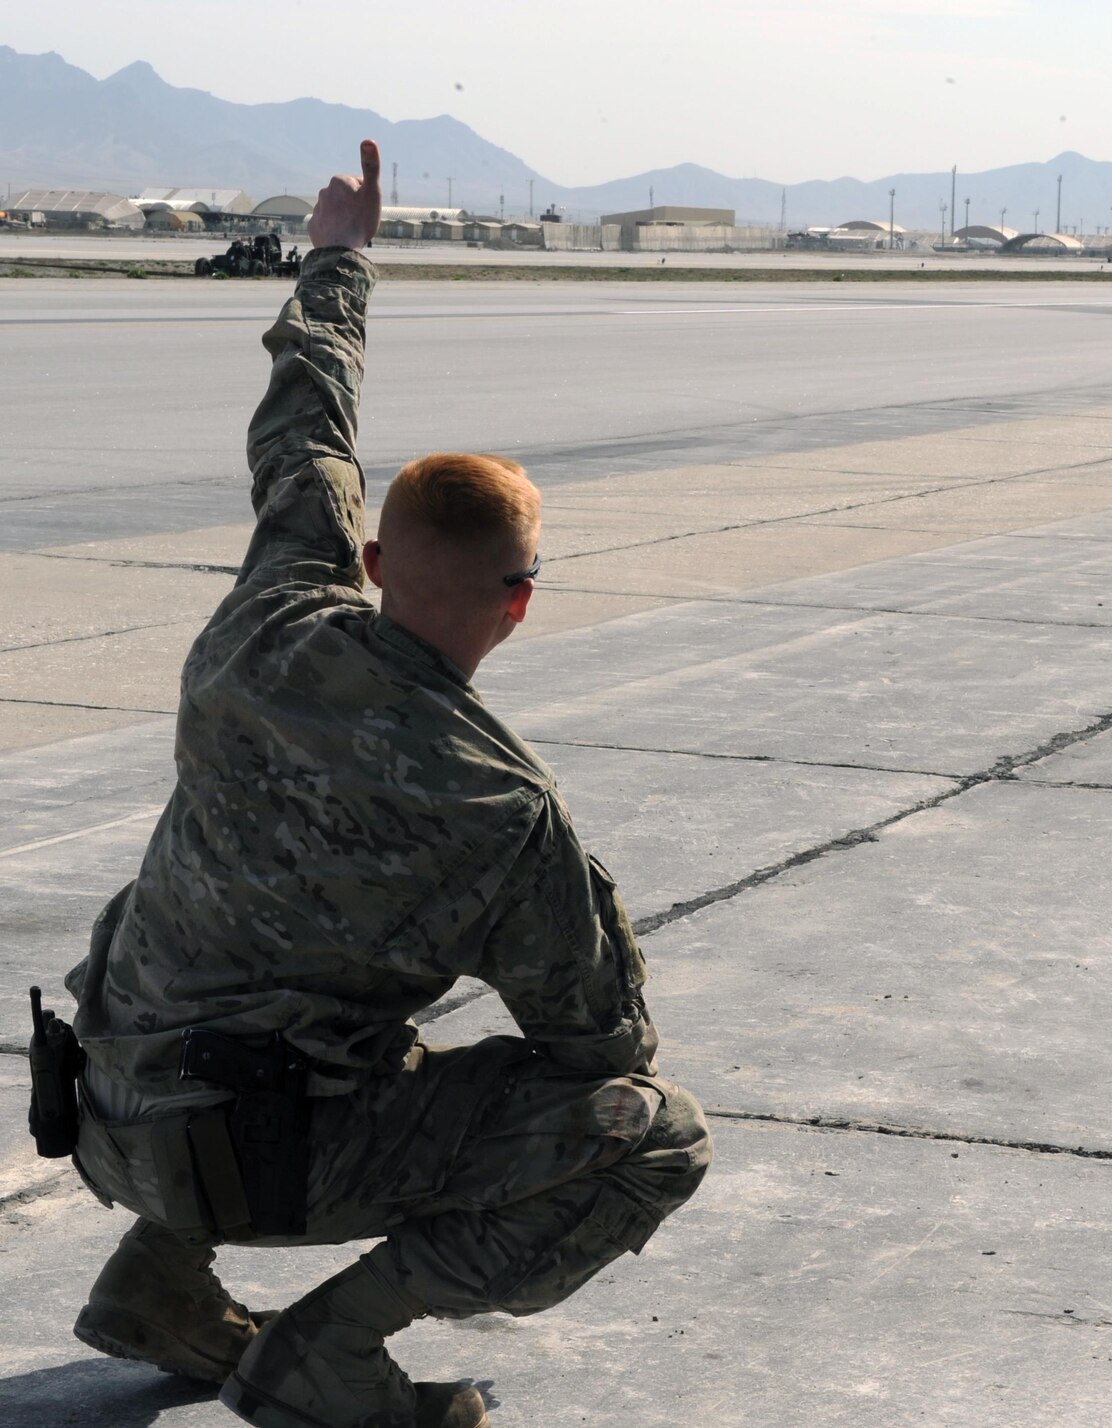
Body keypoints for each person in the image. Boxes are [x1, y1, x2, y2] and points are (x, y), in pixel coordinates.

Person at [61, 140, 711, 1428]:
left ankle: (159, 1279)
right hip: (256, 1158)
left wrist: (339, 254)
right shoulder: (498, 808)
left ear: (367, 558)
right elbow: (600, 1048)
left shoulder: (272, 614)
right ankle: (328, 1352)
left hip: (104, 1110)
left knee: (262, 985)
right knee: (653, 1132)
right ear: (519, 603)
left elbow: (308, 415)